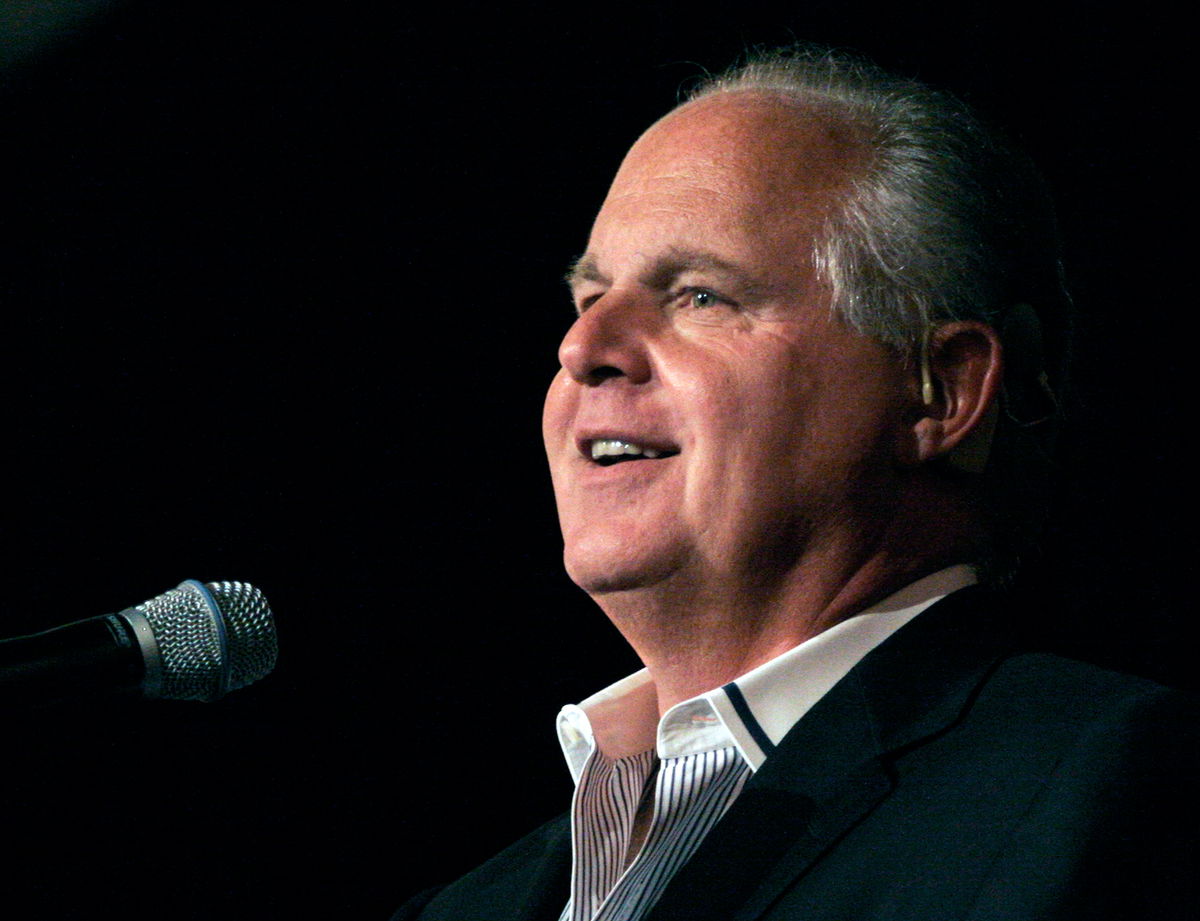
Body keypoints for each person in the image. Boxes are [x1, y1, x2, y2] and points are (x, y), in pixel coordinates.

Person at [395, 47, 1196, 920]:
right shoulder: (463, 906)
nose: (581, 349)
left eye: (699, 295)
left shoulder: (1113, 791)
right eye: (589, 300)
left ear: (941, 388)